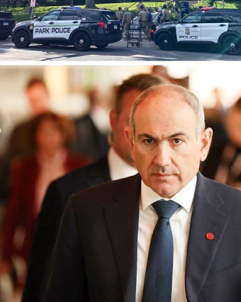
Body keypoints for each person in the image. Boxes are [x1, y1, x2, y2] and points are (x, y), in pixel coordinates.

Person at [45, 84, 241, 301]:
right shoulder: (85, 211)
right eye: (148, 141)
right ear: (132, 143)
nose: (162, 160)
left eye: (177, 141)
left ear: (204, 144)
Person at [22, 73, 169, 302]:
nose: (146, 132)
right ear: (113, 120)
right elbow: (43, 286)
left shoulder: (182, 191)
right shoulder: (68, 192)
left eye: (159, 121)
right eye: (134, 120)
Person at [0, 112, 88, 294]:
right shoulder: (24, 167)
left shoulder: (79, 165)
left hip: (72, 242)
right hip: (35, 243)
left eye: (54, 131)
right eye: (43, 131)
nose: (48, 137)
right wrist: (5, 256)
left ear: (63, 134)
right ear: (35, 136)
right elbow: (13, 215)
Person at [0, 78, 53, 202]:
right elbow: (8, 163)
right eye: (32, 101)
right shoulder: (19, 131)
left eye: (38, 100)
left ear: (47, 96)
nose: (36, 105)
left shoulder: (62, 128)